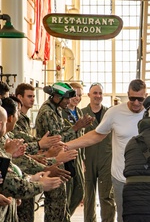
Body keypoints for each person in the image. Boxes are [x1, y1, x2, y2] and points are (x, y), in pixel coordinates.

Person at [65, 79, 148, 222]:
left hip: (125, 166)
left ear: (145, 96)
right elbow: (95, 135)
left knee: (107, 197)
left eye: (140, 99)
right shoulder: (111, 113)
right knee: (91, 196)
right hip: (106, 166)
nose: (135, 102)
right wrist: (68, 145)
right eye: (132, 98)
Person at [0, 104, 63, 222]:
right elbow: (13, 187)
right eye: (5, 123)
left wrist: (30, 178)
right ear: (0, 125)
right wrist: (42, 185)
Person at [35, 82, 92, 222]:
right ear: (56, 97)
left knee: (65, 201)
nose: (68, 101)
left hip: (60, 159)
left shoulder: (57, 109)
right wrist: (75, 128)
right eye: (66, 98)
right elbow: (55, 140)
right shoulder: (48, 112)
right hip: (52, 160)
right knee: (56, 204)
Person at [81, 82, 115, 222]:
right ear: (89, 95)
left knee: (107, 195)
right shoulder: (81, 114)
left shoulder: (110, 114)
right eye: (95, 93)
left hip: (107, 158)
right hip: (87, 158)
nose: (98, 96)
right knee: (88, 196)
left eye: (100, 93)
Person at [61, 82, 85, 216]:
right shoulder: (62, 112)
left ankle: (68, 215)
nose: (77, 98)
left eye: (80, 95)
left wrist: (83, 159)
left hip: (78, 155)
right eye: (75, 95)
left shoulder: (79, 112)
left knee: (80, 190)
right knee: (68, 190)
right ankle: (65, 216)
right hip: (65, 155)